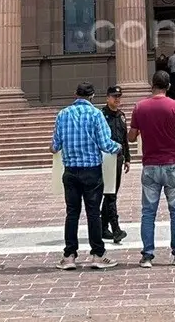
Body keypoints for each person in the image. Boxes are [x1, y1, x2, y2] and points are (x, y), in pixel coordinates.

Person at [128, 70, 175, 267]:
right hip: (171, 164)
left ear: (152, 85)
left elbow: (131, 136)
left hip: (150, 165)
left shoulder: (140, 107)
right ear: (168, 86)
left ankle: (147, 255)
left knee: (148, 213)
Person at [51, 82, 123, 270]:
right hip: (91, 170)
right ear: (92, 96)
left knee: (72, 213)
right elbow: (105, 144)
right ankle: (97, 254)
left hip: (70, 171)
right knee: (93, 213)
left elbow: (55, 146)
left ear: (75, 94)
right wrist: (119, 147)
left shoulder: (62, 115)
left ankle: (69, 256)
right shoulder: (96, 114)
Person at [100, 85, 132, 244]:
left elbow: (124, 139)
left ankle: (102, 227)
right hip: (105, 158)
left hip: (118, 158)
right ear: (107, 98)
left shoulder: (121, 116)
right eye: (114, 96)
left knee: (111, 192)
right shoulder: (101, 115)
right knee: (110, 194)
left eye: (119, 96)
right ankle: (116, 228)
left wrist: (127, 158)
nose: (117, 99)